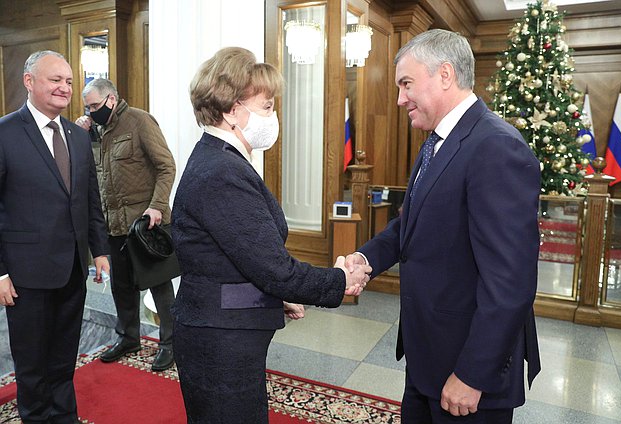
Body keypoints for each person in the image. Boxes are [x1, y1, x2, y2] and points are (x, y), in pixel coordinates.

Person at [346, 29, 542, 423]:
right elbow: (411, 227)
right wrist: (364, 258)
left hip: (467, 372)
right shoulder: (438, 141)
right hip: (427, 358)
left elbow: (510, 281)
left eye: (406, 84)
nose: (400, 98)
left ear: (445, 75)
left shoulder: (496, 147)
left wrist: (472, 374)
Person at [171, 47, 371, 424]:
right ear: (232, 110)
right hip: (219, 341)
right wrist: (340, 280)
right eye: (266, 106)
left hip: (222, 329)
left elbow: (233, 261)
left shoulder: (220, 159)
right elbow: (273, 268)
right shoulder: (222, 172)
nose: (273, 116)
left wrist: (273, 297)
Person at [0, 50, 110, 423]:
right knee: (32, 363)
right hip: (25, 274)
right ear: (29, 81)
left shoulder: (78, 138)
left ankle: (64, 416)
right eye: (55, 80)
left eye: (68, 81)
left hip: (72, 269)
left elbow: (89, 199)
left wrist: (99, 250)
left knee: (63, 357)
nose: (65, 87)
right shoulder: (4, 133)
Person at [75, 79, 177, 371]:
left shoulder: (139, 121)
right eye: (88, 107)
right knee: (121, 286)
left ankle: (170, 343)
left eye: (95, 105)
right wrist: (82, 136)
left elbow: (166, 166)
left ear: (112, 99)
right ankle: (128, 337)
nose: (91, 111)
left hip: (144, 225)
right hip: (112, 224)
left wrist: (156, 206)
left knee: (158, 285)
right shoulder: (96, 132)